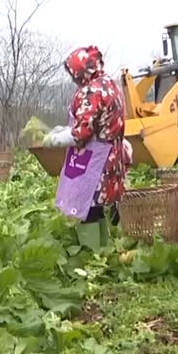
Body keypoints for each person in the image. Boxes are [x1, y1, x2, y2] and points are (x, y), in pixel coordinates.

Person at [44, 45, 130, 250]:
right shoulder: (109, 84)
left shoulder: (91, 91)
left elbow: (81, 132)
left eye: (73, 73)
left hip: (95, 159)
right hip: (110, 154)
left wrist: (54, 140)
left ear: (81, 70)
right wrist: (62, 129)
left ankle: (92, 256)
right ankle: (103, 252)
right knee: (97, 206)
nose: (73, 78)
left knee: (87, 206)